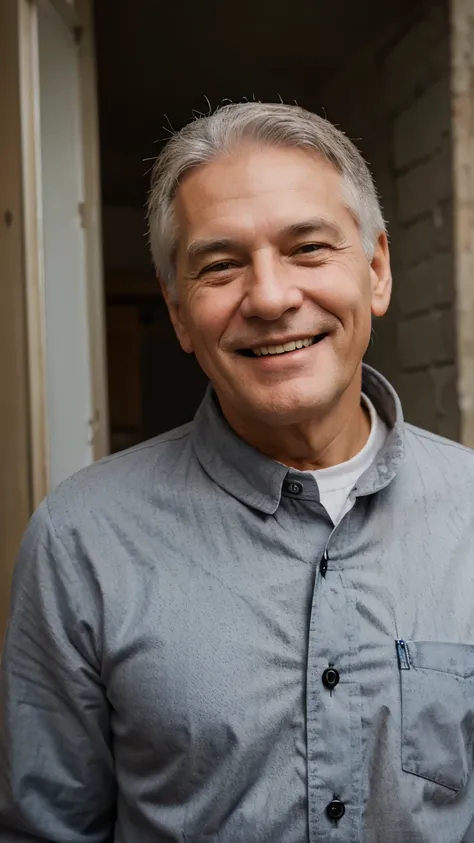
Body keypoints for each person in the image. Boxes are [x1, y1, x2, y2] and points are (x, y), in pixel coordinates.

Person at [1, 102, 474, 843]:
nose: (272, 297)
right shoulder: (80, 539)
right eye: (220, 265)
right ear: (180, 312)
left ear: (376, 270)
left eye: (308, 249)